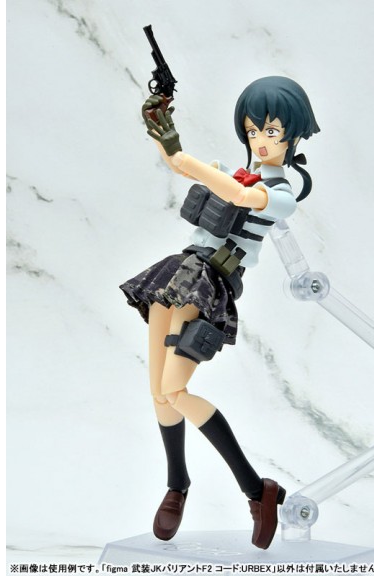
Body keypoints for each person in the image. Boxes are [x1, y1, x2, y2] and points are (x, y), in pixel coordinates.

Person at [119, 76, 320, 550]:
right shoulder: (236, 172)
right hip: (181, 269)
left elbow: (241, 197)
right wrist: (160, 127)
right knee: (159, 392)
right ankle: (177, 483)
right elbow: (181, 165)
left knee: (175, 388)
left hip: (209, 283)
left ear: (292, 134)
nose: (260, 140)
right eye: (252, 131)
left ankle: (255, 488)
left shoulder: (281, 192)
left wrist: (184, 157)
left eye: (271, 130)